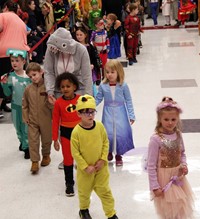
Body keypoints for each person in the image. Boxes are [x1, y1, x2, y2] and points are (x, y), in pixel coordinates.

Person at [44, 27, 93, 169]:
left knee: (81, 124)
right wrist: (50, 91)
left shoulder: (81, 50)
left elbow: (86, 75)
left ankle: (81, 156)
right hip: (60, 93)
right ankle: (67, 157)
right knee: (63, 126)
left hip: (79, 92)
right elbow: (48, 71)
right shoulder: (51, 50)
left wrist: (88, 98)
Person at [71, 94, 119, 219]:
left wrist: (103, 159)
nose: (90, 115)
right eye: (86, 112)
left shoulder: (99, 127)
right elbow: (75, 152)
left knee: (105, 191)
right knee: (84, 192)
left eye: (92, 112)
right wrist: (85, 166)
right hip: (85, 171)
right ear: (78, 114)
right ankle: (84, 210)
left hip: (100, 168)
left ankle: (111, 213)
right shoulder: (76, 132)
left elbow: (105, 142)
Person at [147, 97, 194, 219]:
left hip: (178, 177)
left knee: (181, 207)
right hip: (164, 180)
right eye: (166, 119)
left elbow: (182, 153)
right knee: (169, 210)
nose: (170, 122)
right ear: (160, 119)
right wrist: (154, 186)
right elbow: (151, 165)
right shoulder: (156, 139)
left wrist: (184, 165)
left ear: (177, 119)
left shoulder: (178, 134)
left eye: (173, 119)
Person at [95, 59, 135, 166]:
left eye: (112, 72)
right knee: (108, 132)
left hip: (120, 111)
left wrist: (131, 115)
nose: (109, 75)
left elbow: (128, 100)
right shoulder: (103, 86)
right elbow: (98, 99)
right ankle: (108, 151)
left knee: (120, 133)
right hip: (107, 111)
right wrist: (90, 107)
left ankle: (119, 154)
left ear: (119, 72)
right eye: (107, 72)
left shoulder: (123, 86)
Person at [52, 72, 81, 196]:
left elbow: (87, 115)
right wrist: (55, 139)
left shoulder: (80, 99)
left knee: (82, 157)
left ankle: (85, 180)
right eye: (62, 87)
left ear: (74, 87)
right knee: (68, 159)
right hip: (65, 134)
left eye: (68, 86)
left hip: (80, 133)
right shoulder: (58, 103)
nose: (65, 89)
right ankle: (69, 183)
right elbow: (55, 122)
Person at [0, 0, 30, 118]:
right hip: (21, 53)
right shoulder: (20, 21)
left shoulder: (2, 16)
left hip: (5, 53)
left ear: (6, 7)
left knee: (2, 80)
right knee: (12, 80)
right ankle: (5, 105)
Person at [22, 62, 52, 173]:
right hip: (32, 119)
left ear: (41, 72)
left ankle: (46, 155)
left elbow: (53, 104)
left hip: (46, 119)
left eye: (34, 75)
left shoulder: (48, 87)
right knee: (33, 140)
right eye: (30, 77)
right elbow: (25, 104)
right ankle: (34, 161)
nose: (33, 78)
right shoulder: (28, 89)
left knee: (46, 139)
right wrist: (25, 116)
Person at [1, 49, 31, 159]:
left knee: (26, 127)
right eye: (12, 61)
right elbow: (7, 93)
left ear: (23, 62)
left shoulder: (28, 77)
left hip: (26, 108)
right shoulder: (9, 76)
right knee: (17, 127)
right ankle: (22, 140)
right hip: (15, 106)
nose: (14, 63)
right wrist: (4, 84)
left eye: (17, 60)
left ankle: (26, 147)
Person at [74, 25, 101, 95]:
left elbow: (94, 58)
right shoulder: (74, 46)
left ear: (85, 35)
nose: (79, 36)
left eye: (81, 35)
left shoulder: (90, 47)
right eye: (77, 35)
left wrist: (93, 65)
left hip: (88, 69)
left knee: (90, 84)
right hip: (77, 70)